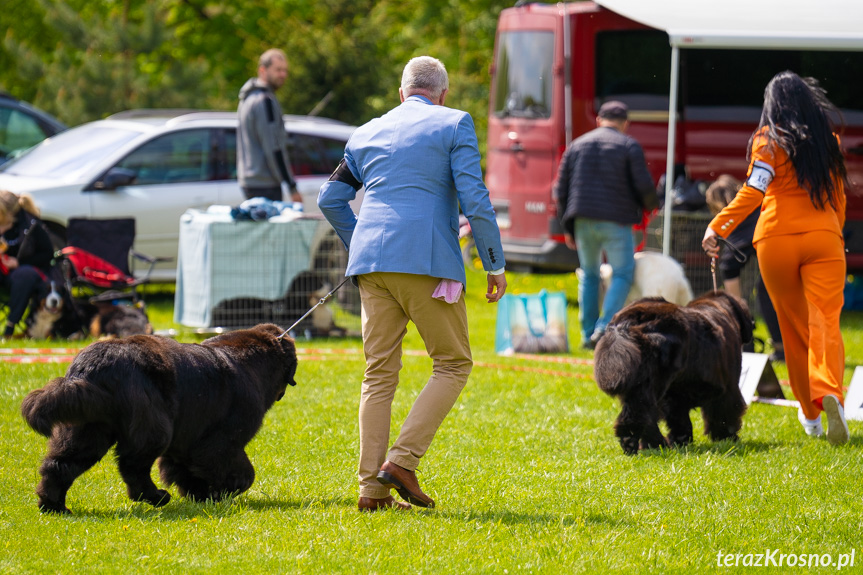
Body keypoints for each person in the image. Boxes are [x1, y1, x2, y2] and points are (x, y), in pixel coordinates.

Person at [318, 56, 507, 512]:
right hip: (427, 261)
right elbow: (475, 199)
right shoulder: (454, 123)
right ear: (443, 94)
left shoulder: (364, 132)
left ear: (401, 94)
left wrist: (360, 240)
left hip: (370, 265)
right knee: (453, 363)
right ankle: (401, 462)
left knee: (378, 375)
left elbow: (331, 199)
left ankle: (371, 491)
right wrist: (493, 262)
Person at [702, 71, 849, 444]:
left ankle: (811, 415)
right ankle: (829, 389)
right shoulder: (828, 141)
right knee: (826, 321)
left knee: (794, 329)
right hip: (824, 236)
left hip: (776, 238)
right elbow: (839, 197)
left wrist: (718, 226)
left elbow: (753, 191)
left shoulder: (767, 140)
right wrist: (833, 231)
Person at [553, 100, 658, 350]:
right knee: (622, 273)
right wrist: (653, 204)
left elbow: (560, 190)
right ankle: (603, 329)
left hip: (582, 219)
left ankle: (587, 332)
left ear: (599, 120)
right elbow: (644, 186)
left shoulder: (577, 145)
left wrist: (567, 228)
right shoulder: (628, 145)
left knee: (589, 274)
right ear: (625, 124)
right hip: (616, 221)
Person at [705, 175, 784, 362]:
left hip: (782, 251)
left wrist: (739, 310)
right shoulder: (758, 202)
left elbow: (729, 266)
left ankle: (782, 349)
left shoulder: (740, 219)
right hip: (794, 243)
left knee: (766, 294)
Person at [237, 48, 302, 205]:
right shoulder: (264, 101)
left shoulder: (248, 97)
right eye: (278, 70)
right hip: (265, 184)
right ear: (262, 70)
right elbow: (275, 148)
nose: (283, 75)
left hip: (249, 181)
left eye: (285, 70)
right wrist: (292, 186)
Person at [0, 190, 54, 337]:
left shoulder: (32, 225)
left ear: (9, 215)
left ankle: (10, 327)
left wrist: (18, 262)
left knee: (24, 274)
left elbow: (48, 254)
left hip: (26, 277)